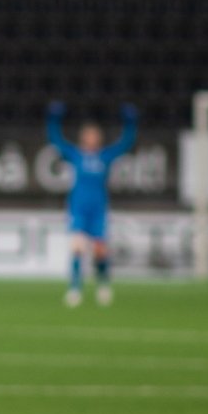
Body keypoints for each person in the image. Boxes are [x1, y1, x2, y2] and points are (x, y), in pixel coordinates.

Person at [47, 101, 138, 307]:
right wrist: (53, 119)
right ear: (83, 137)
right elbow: (56, 140)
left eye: (94, 135)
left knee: (100, 251)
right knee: (77, 247)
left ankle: (103, 285)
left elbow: (126, 143)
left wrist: (130, 123)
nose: (92, 138)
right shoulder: (75, 155)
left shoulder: (105, 156)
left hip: (98, 209)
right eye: (88, 135)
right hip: (78, 208)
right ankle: (75, 289)